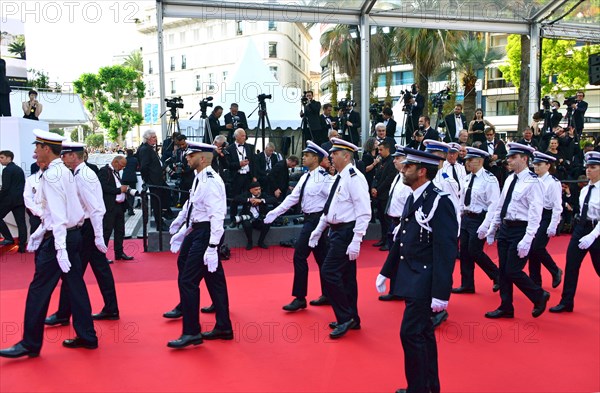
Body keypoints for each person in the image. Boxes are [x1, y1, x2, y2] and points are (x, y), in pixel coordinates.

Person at [0, 130, 97, 359]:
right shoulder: (62, 171)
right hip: (71, 235)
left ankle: (30, 343)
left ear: (46, 148)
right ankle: (87, 335)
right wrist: (40, 234)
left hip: (60, 239)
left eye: (37, 147)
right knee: (75, 286)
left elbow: (58, 216)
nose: (34, 152)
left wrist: (59, 247)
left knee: (39, 289)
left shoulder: (53, 175)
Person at [376, 147, 457, 393]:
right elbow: (402, 237)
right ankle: (429, 386)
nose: (403, 168)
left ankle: (418, 389)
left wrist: (441, 293)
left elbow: (446, 249)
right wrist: (386, 271)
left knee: (410, 334)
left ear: (422, 172)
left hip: (425, 278)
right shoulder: (414, 196)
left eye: (409, 166)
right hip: (411, 275)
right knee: (422, 334)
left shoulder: (440, 200)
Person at [166, 141, 233, 348]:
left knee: (188, 280)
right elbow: (193, 203)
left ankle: (192, 332)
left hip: (205, 233)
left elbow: (216, 216)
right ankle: (223, 326)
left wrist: (213, 247)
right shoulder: (200, 178)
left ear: (202, 158)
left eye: (190, 155)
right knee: (213, 279)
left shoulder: (211, 181)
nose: (187, 158)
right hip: (196, 230)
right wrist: (180, 224)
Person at [45, 142, 120, 326]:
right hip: (89, 227)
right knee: (99, 270)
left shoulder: (82, 176)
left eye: (65, 155)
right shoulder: (81, 173)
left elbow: (95, 209)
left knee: (71, 271)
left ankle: (63, 314)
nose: (62, 158)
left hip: (87, 228)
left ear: (73, 156)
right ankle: (110, 308)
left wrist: (97, 235)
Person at [308, 137, 371, 339]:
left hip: (346, 232)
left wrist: (357, 239)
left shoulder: (354, 177)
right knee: (346, 277)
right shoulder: (340, 177)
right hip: (336, 231)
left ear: (346, 155)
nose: (331, 157)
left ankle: (345, 317)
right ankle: (352, 317)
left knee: (329, 272)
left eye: (334, 154)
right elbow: (331, 209)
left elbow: (364, 211)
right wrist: (318, 230)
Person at [483, 142, 550, 319]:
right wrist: (493, 227)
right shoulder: (510, 178)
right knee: (503, 270)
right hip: (506, 227)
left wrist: (528, 238)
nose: (509, 160)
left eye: (513, 157)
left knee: (513, 270)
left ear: (525, 159)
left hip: (521, 228)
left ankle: (538, 295)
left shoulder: (533, 182)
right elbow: (501, 205)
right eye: (509, 157)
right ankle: (506, 306)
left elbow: (536, 213)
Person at [264, 141, 333, 311]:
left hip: (317, 221)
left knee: (299, 256)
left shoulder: (325, 179)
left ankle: (300, 297)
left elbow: (334, 199)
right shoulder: (305, 177)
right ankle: (329, 294)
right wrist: (275, 212)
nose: (303, 158)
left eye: (307, 155)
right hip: (309, 219)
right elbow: (292, 198)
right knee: (322, 259)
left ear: (316, 158)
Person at [550, 151, 600, 313]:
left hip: (597, 232)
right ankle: (567, 302)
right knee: (571, 265)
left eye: (593, 167)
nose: (588, 170)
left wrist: (592, 235)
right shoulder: (585, 190)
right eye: (587, 167)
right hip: (580, 229)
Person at [453, 147, 500, 294]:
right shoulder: (467, 178)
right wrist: (460, 215)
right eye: (467, 160)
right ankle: (467, 284)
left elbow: (494, 204)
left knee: (475, 250)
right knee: (465, 252)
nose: (467, 163)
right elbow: (462, 198)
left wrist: (487, 225)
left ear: (480, 161)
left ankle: (497, 275)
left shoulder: (489, 179)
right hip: (467, 217)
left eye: (470, 160)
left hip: (479, 218)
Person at [378, 145, 411, 301]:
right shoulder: (398, 176)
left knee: (401, 257)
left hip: (402, 222)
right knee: (393, 256)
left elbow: (409, 204)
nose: (394, 161)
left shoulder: (408, 180)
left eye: (397, 158)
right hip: (393, 221)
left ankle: (401, 289)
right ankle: (396, 289)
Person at [527, 151, 563, 289]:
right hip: (535, 215)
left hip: (546, 216)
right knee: (532, 248)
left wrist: (553, 224)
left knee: (538, 247)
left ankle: (555, 270)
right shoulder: (534, 180)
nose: (536, 167)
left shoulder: (553, 183)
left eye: (539, 164)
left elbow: (557, 206)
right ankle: (535, 281)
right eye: (535, 164)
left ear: (548, 165)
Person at [98, 156, 134, 262]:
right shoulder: (104, 171)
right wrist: (119, 190)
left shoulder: (116, 172)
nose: (122, 168)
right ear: (115, 162)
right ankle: (102, 255)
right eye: (122, 166)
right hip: (110, 206)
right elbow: (102, 187)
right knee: (107, 231)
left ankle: (119, 253)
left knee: (120, 231)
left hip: (119, 205)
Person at [138, 129, 170, 230]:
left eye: (155, 137)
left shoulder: (149, 148)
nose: (155, 139)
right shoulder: (145, 149)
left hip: (158, 179)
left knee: (166, 192)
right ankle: (159, 223)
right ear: (147, 138)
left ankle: (165, 212)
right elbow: (144, 166)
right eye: (153, 137)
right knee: (156, 201)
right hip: (153, 181)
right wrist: (147, 180)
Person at [234, 182, 277, 250]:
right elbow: (236, 198)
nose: (258, 191)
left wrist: (261, 201)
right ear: (251, 190)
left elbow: (274, 200)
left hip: (259, 218)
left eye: (259, 189)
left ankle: (261, 242)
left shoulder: (263, 195)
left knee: (267, 223)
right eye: (256, 190)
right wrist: (248, 200)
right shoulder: (247, 194)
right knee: (246, 224)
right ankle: (250, 242)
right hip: (248, 217)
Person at [226, 128, 257, 221]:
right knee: (235, 198)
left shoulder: (250, 147)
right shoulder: (230, 149)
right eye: (242, 136)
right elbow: (228, 165)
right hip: (237, 176)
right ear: (236, 137)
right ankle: (233, 219)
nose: (245, 137)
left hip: (248, 176)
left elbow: (254, 163)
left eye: (245, 135)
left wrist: (254, 176)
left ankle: (245, 216)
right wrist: (239, 164)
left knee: (247, 197)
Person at [371, 140, 396, 251]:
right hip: (379, 195)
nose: (379, 152)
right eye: (378, 150)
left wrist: (378, 190)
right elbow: (376, 176)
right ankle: (383, 238)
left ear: (387, 149)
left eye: (381, 150)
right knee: (381, 218)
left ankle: (387, 241)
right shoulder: (381, 161)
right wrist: (373, 187)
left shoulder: (391, 162)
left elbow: (388, 180)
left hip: (385, 195)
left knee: (387, 220)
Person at [0, 150, 27, 252]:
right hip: (19, 200)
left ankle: (8, 238)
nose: (0, 160)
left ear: (9, 158)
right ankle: (22, 246)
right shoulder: (19, 169)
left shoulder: (6, 170)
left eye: (2, 158)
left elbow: (5, 188)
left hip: (8, 200)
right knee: (21, 223)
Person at [122, 149, 138, 216]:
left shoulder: (124, 159)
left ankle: (127, 207)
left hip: (125, 177)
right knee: (132, 193)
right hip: (132, 178)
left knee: (126, 193)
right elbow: (137, 167)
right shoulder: (135, 160)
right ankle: (131, 209)